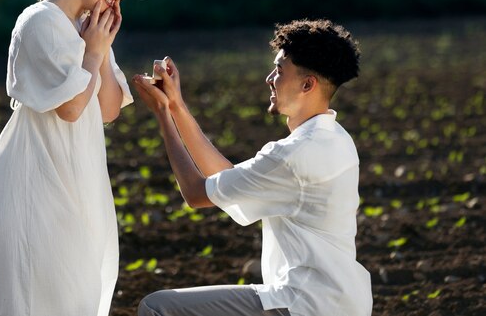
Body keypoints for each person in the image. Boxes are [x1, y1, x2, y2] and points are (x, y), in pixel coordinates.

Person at [132, 19, 373, 316]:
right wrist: (176, 106)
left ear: (307, 84)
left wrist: (163, 117)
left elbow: (196, 193)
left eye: (280, 71)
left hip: (304, 304)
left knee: (157, 308)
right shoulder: (336, 139)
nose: (270, 78)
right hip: (344, 302)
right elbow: (226, 178)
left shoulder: (292, 156)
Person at [0, 0, 139, 316]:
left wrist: (99, 50)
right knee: (40, 297)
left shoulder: (88, 30)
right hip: (33, 180)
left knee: (79, 295)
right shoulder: (38, 21)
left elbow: (108, 110)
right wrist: (92, 53)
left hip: (75, 177)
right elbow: (69, 109)